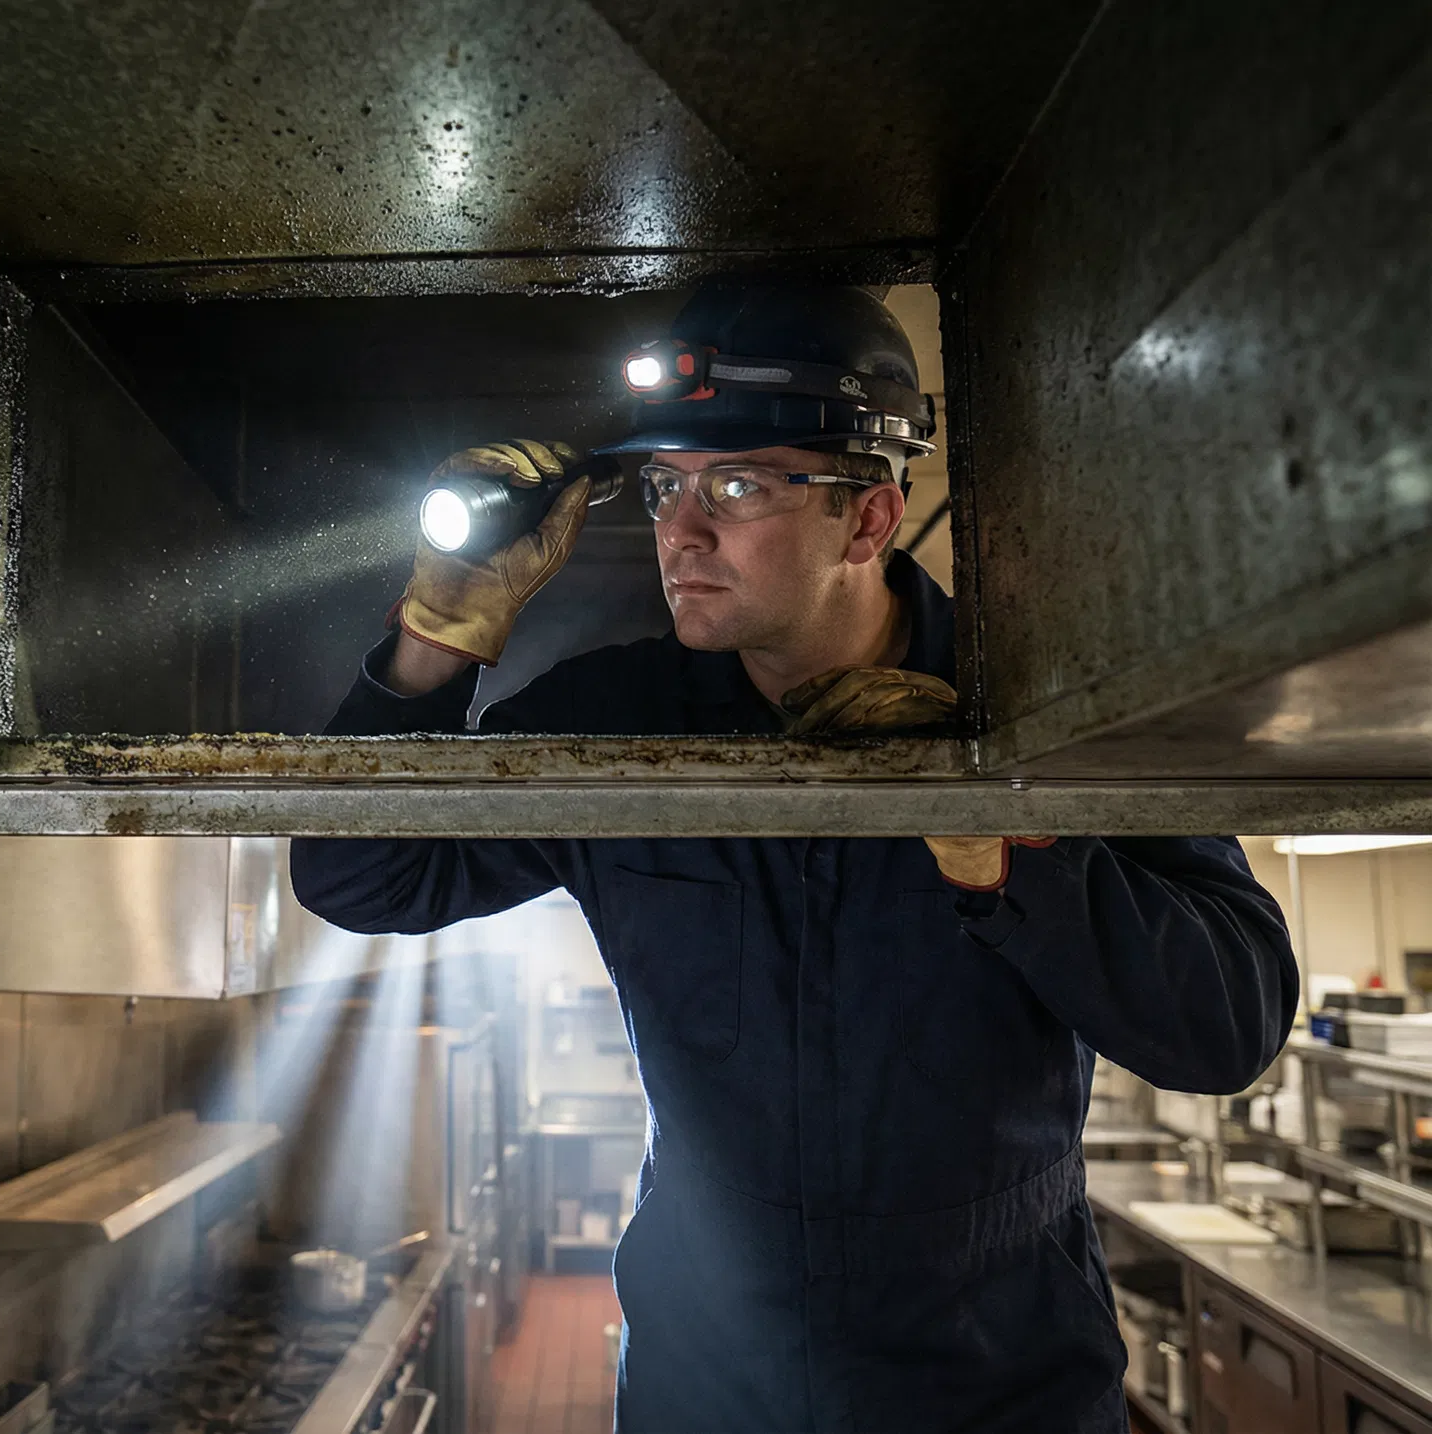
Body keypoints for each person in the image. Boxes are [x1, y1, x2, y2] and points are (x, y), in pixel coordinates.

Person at [289, 277, 1297, 1434]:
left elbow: (1231, 1022)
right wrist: (437, 639)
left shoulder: (1043, 706)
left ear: (868, 519)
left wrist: (1007, 845)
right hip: (704, 1389)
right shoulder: (622, 721)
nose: (680, 530)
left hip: (996, 1389)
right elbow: (359, 878)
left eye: (737, 485)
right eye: (666, 486)